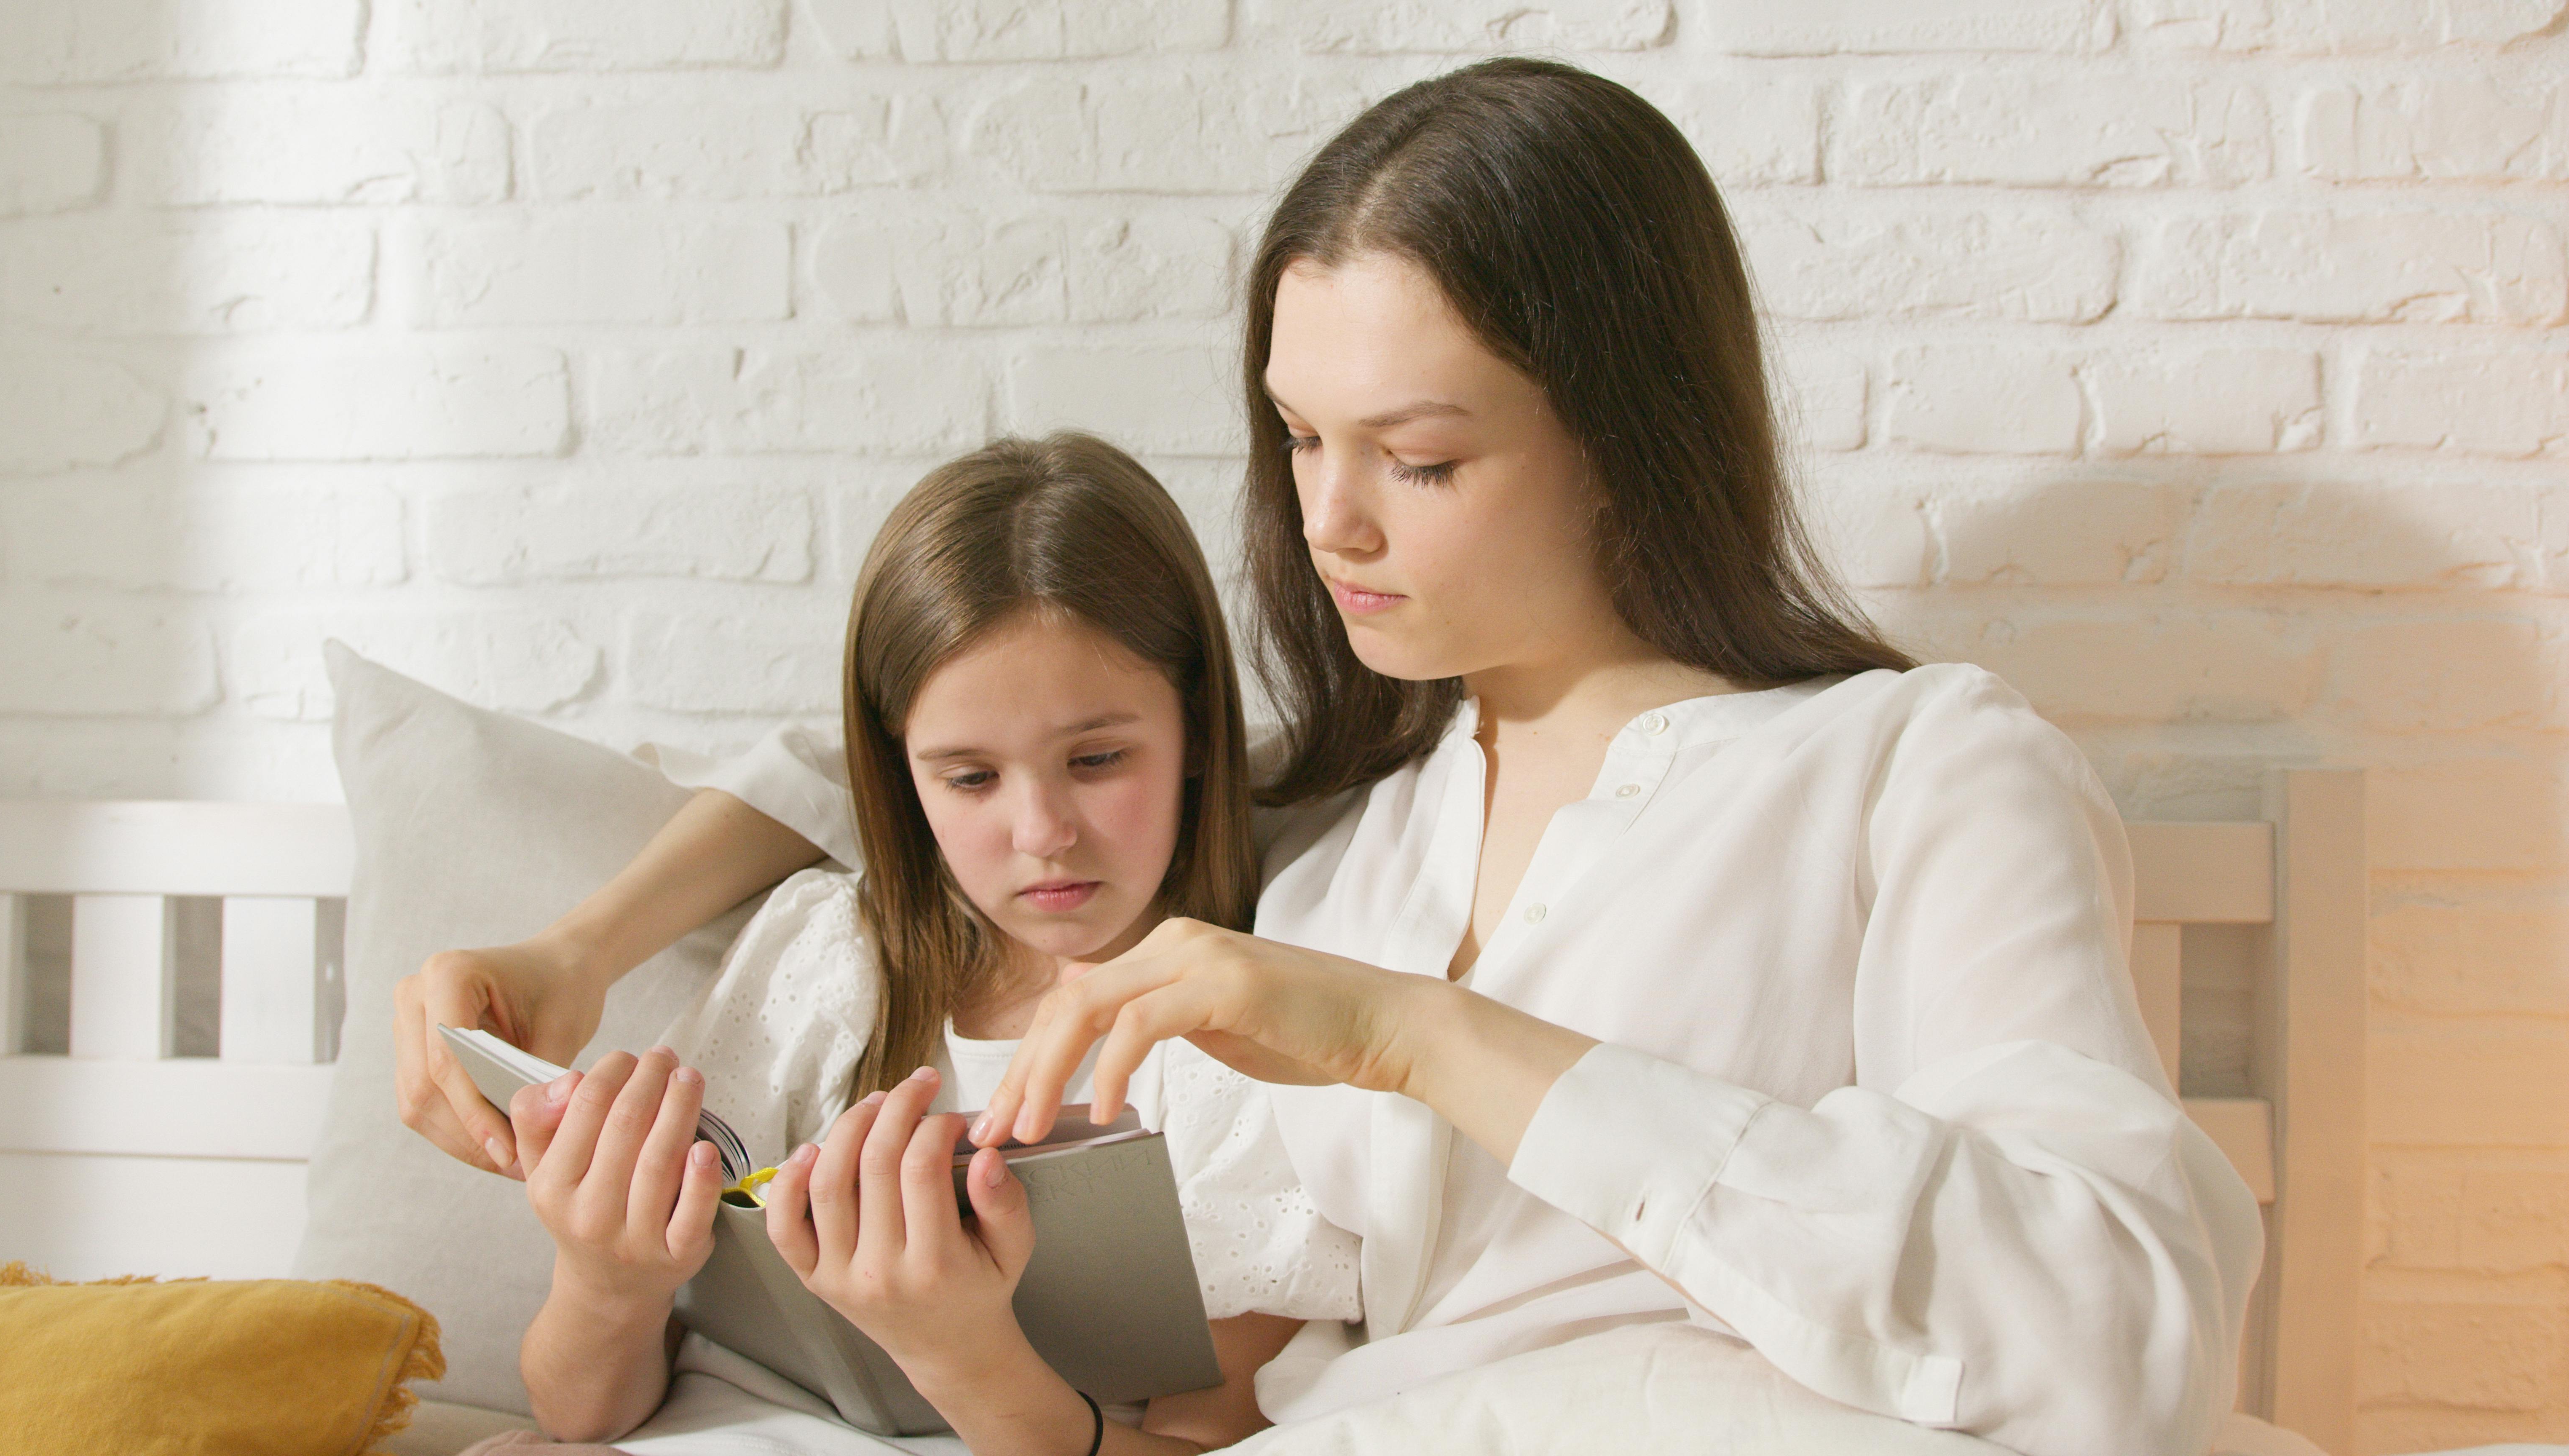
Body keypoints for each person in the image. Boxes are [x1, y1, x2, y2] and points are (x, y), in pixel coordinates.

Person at [402, 58, 2262, 1456]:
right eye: (1299, 442)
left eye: (1421, 459)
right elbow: (917, 750)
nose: (1329, 526)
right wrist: (575, 952)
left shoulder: (1907, 769)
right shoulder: (1334, 848)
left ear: (1626, 436)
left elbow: (2121, 1325)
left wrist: (1415, 1035)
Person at [485, 433, 1355, 1450]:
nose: (1042, 835)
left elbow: (1209, 1438)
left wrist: (961, 1354)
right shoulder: (828, 958)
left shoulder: (1244, 1045)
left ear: (1200, 731)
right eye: (971, 779)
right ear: (903, 776)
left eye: (1099, 758)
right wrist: (604, 1283)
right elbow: (579, 1413)